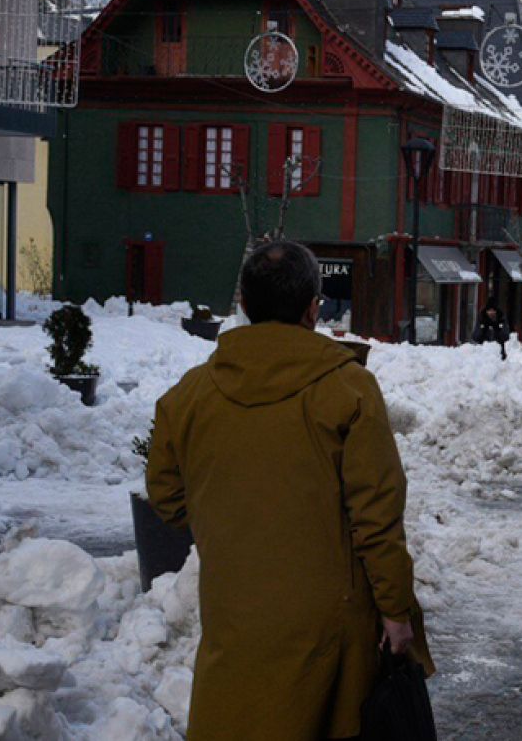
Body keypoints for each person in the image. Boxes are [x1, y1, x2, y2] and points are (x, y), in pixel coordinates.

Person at [147, 241, 435, 741]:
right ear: (312, 309)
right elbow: (377, 516)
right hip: (330, 624)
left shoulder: (190, 394)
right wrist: (395, 610)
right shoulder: (348, 388)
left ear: (245, 305)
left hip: (233, 613)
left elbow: (168, 499)